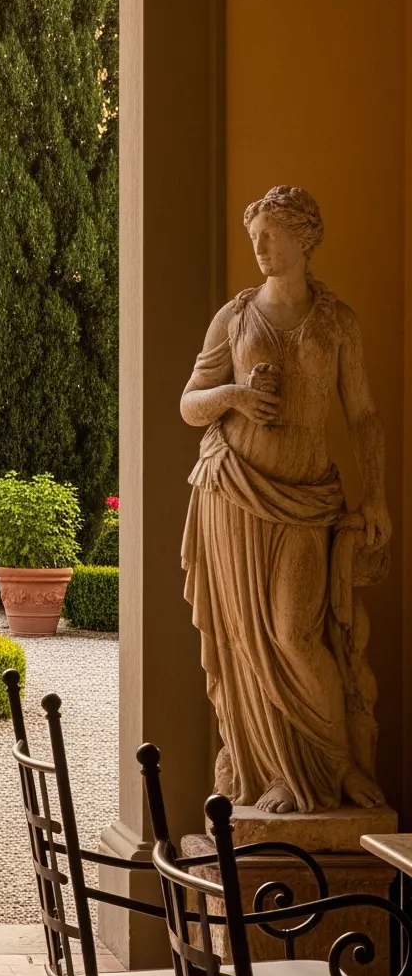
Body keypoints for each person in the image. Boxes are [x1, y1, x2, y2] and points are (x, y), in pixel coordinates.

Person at [180, 184, 389, 813]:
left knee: (295, 634)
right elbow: (191, 404)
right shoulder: (235, 316)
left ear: (304, 237)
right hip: (233, 495)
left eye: (271, 235)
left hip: (307, 502)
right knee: (248, 643)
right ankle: (270, 772)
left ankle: (334, 767)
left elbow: (365, 418)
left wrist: (376, 497)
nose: (261, 248)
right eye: (254, 238)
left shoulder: (336, 321)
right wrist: (237, 396)